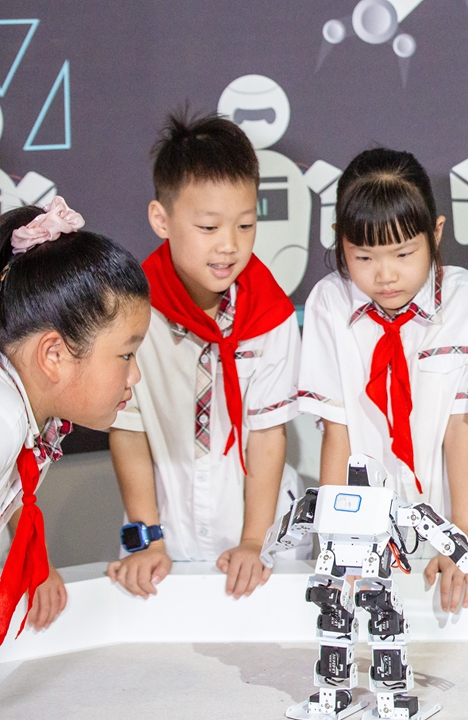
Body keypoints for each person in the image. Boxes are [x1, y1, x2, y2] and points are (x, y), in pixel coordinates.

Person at [298, 148, 468, 613]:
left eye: (404, 253)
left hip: (450, 518)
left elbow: (460, 428)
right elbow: (338, 432)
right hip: (361, 534)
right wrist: (338, 547)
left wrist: (461, 542)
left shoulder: (466, 299)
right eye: (363, 256)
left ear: (436, 232)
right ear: (340, 241)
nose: (385, 275)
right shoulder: (329, 304)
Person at [106, 112, 301, 601]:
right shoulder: (132, 311)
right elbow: (128, 432)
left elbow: (267, 435)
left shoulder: (272, 314)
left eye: (246, 224)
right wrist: (147, 538)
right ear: (161, 219)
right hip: (163, 534)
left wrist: (254, 541)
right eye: (209, 226)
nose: (229, 245)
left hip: (257, 535)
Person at [0, 200, 149, 641]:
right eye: (126, 354)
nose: (135, 375)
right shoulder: (5, 420)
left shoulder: (27, 415)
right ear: (54, 355)